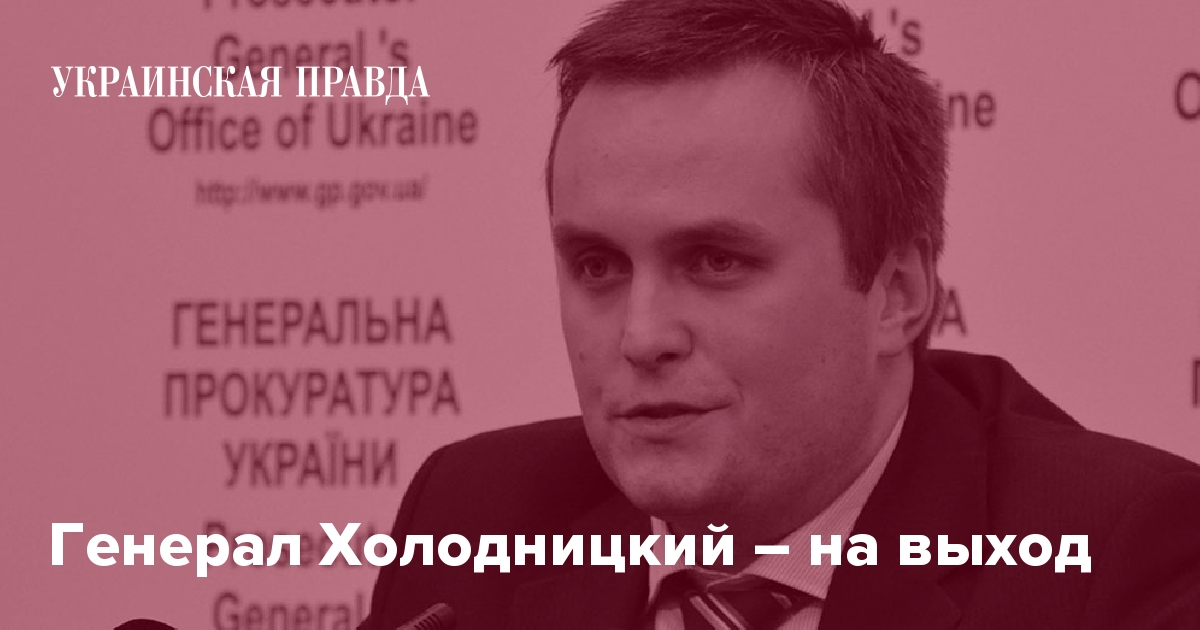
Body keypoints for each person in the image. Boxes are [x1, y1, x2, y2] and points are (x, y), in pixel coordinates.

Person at [359, 1, 1200, 628]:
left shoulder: (1115, 563)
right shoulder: (473, 518)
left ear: (897, 294)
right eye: (598, 266)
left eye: (715, 262)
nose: (642, 337)